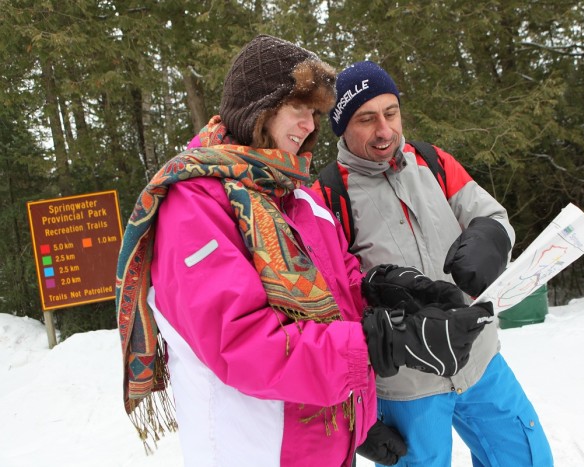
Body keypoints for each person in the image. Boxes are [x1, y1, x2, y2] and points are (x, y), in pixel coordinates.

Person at [115, 36, 493, 467]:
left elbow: (342, 281)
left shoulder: (296, 196)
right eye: (299, 109)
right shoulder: (195, 206)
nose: (310, 125)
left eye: (314, 113)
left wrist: (384, 287)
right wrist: (380, 345)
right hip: (261, 450)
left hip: (330, 439)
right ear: (259, 108)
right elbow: (241, 342)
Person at [312, 60, 553, 467]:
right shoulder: (327, 197)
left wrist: (488, 240)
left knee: (529, 459)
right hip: (406, 387)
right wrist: (358, 415)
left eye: (391, 113)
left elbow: (493, 218)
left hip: (480, 358)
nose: (385, 130)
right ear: (342, 128)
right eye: (367, 119)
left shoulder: (433, 161)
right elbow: (329, 310)